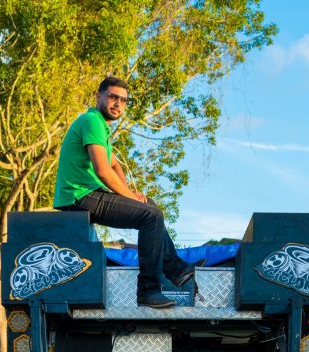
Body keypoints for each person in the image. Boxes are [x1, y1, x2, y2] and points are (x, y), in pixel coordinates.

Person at [53, 76, 201, 309]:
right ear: (98, 96)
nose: (118, 104)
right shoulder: (92, 121)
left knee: (149, 205)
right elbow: (103, 170)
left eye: (123, 100)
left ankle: (176, 269)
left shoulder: (100, 128)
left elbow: (114, 164)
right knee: (150, 216)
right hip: (78, 196)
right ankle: (148, 291)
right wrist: (129, 197)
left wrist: (130, 192)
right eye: (112, 97)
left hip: (87, 194)